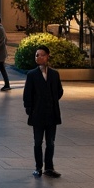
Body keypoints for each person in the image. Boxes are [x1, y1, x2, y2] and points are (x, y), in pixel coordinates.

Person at [23, 44, 63, 178]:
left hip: (52, 113)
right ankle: (38, 167)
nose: (38, 57)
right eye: (36, 55)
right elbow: (27, 94)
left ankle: (49, 167)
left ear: (47, 56)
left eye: (41, 55)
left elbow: (59, 91)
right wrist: (30, 109)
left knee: (50, 142)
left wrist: (51, 100)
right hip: (38, 114)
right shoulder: (32, 75)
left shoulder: (54, 74)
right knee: (38, 142)